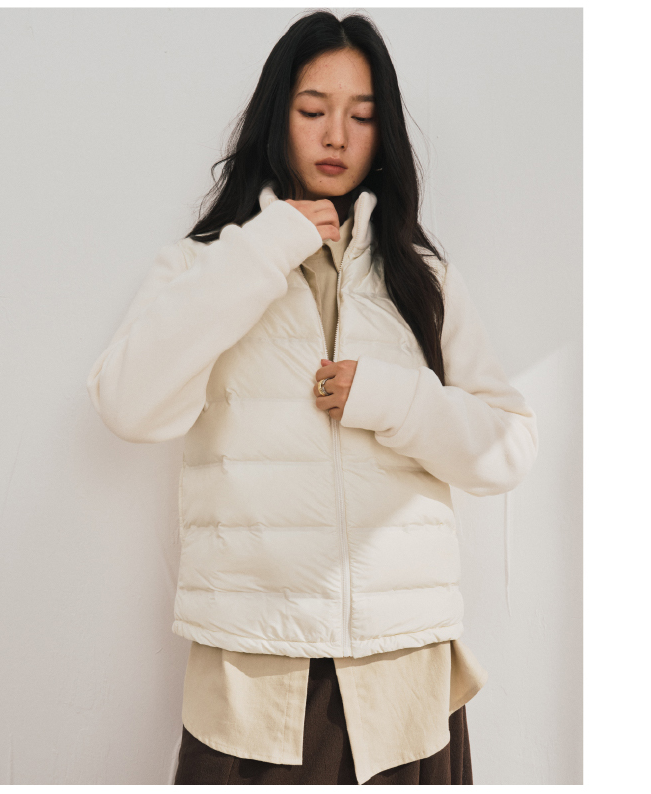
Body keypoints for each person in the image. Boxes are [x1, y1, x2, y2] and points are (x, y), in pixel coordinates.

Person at [86, 10, 538, 786]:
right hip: (257, 678)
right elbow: (128, 405)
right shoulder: (204, 266)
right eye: (312, 110)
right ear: (277, 117)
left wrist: (394, 399)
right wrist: (268, 243)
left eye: (361, 116)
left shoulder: (422, 279)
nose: (336, 135)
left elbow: (508, 448)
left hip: (405, 677)